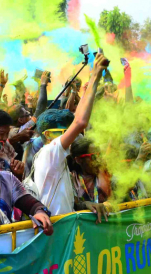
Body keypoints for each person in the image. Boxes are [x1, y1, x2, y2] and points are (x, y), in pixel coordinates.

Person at [33, 53, 109, 218]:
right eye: (64, 132)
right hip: (55, 233)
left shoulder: (58, 157)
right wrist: (95, 76)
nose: (71, 136)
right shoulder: (50, 152)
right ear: (47, 135)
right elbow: (80, 122)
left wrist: (84, 204)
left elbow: (76, 120)